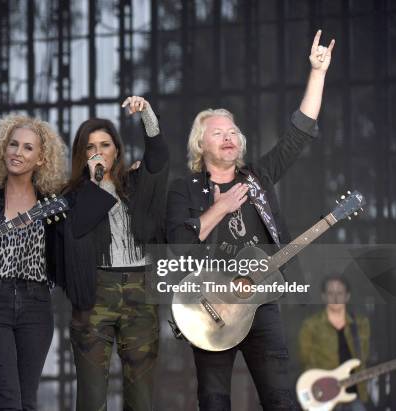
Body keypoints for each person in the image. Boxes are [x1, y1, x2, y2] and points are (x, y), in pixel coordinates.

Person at [166, 30, 335, 410]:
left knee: (279, 398)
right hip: (209, 305)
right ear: (201, 145)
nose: (228, 137)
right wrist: (221, 207)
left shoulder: (257, 177)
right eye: (217, 133)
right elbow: (179, 243)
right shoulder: (185, 189)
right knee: (214, 400)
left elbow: (299, 133)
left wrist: (318, 73)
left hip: (259, 303)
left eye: (233, 132)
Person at [60, 95, 169, 411]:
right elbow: (78, 228)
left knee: (141, 394)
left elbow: (159, 158)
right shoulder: (72, 196)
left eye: (105, 145)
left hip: (139, 287)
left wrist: (147, 113)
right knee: (92, 396)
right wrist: (94, 182)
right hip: (96, 291)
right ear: (82, 154)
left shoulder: (135, 183)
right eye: (90, 147)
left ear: (117, 150)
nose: (98, 152)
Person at [0, 114, 68, 411]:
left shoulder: (53, 201)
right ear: (3, 149)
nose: (18, 152)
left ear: (41, 158)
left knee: (27, 403)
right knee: (7, 402)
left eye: (28, 148)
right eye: (13, 144)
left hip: (37, 304)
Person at [299, 275, 370, 411]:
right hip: (323, 394)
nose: (336, 297)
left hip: (353, 394)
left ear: (347, 296)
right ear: (323, 296)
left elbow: (363, 358)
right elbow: (304, 360)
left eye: (340, 293)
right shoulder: (311, 325)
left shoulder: (361, 324)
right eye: (331, 293)